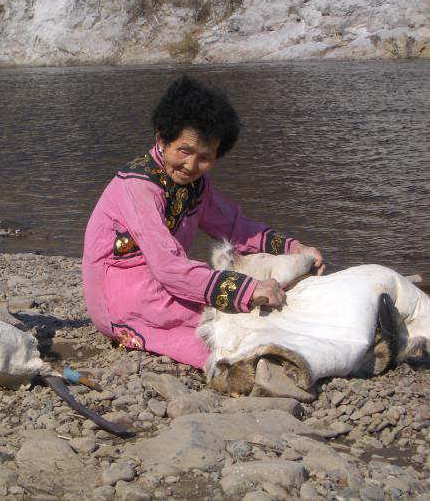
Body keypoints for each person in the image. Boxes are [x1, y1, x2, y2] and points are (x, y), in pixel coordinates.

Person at [82, 75, 325, 369]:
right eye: (184, 151)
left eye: (205, 157)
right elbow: (168, 266)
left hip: (162, 282)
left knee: (251, 312)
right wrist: (247, 290)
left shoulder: (196, 184)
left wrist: (294, 248)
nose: (191, 166)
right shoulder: (138, 187)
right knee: (229, 330)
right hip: (125, 297)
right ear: (162, 138)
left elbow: (236, 228)